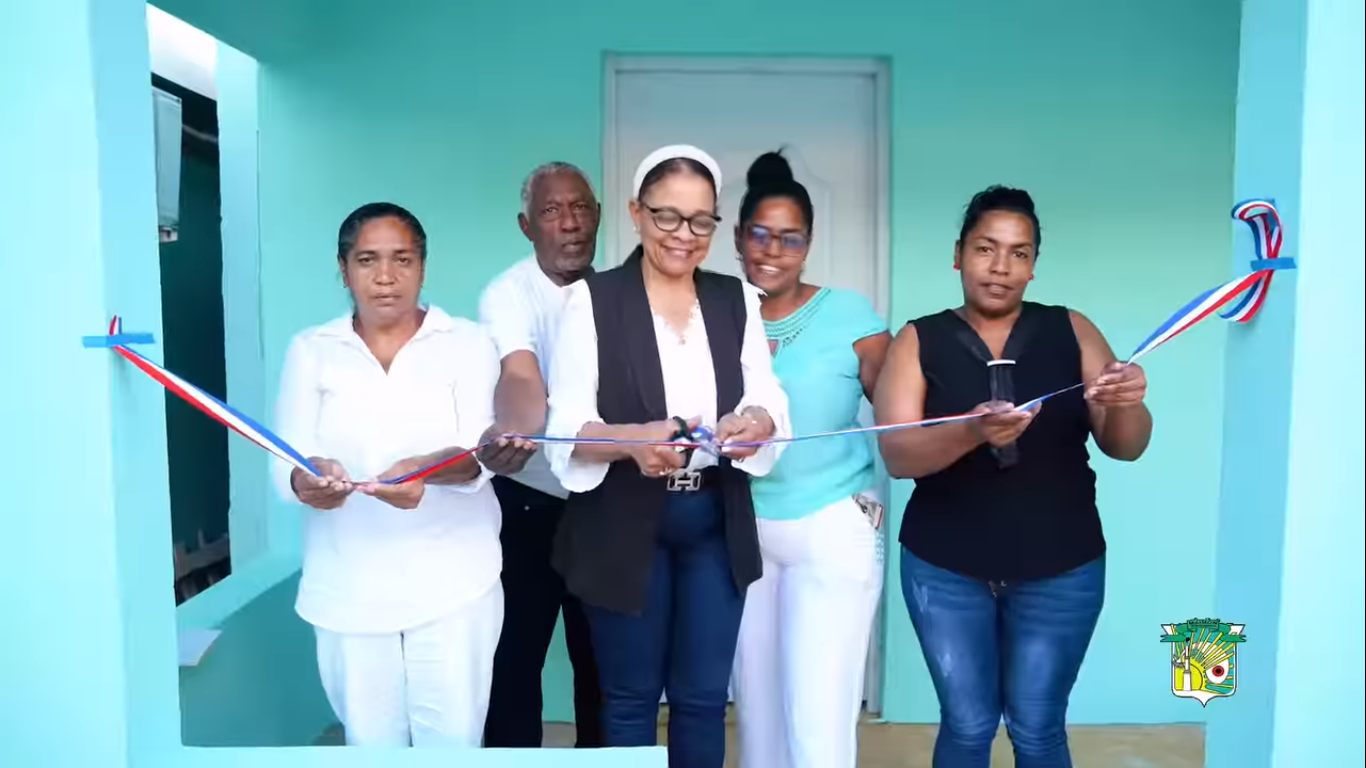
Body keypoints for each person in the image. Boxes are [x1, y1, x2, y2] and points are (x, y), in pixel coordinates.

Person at [873, 186, 1152, 768]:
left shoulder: (1071, 329)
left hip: (1062, 566)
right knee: (968, 725)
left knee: (1038, 728)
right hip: (945, 568)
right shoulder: (918, 340)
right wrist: (971, 432)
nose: (1001, 267)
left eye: (1019, 253)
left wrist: (1127, 401)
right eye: (986, 248)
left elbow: (1125, 446)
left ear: (1033, 266)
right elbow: (898, 456)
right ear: (958, 255)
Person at [543, 145, 790, 768]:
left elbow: (766, 397)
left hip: (713, 519)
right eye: (667, 217)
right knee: (629, 700)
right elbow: (566, 427)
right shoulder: (592, 301)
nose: (684, 234)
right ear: (636, 213)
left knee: (703, 699)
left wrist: (757, 421)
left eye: (701, 220)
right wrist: (632, 441)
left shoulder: (736, 300)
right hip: (622, 523)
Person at [273, 202, 509, 748]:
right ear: (344, 269)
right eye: (367, 260)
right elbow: (286, 462)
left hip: (454, 581)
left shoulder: (466, 342)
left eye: (402, 259)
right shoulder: (313, 350)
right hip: (349, 584)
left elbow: (478, 454)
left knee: (452, 744)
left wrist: (424, 470)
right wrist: (310, 480)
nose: (385, 276)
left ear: (423, 267)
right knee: (371, 745)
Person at [728, 151, 892, 768]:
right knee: (759, 724)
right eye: (760, 235)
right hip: (742, 533)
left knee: (818, 723)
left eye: (790, 238)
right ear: (738, 237)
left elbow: (902, 407)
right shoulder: (715, 313)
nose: (773, 251)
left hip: (830, 526)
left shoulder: (849, 315)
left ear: (808, 244)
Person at [476, 162, 603, 749]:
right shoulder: (508, 293)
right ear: (527, 226)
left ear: (598, 216)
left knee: (601, 663)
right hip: (527, 500)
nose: (570, 223)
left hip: (602, 502)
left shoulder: (618, 293)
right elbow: (520, 375)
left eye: (580, 208)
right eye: (552, 211)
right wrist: (516, 428)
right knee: (514, 660)